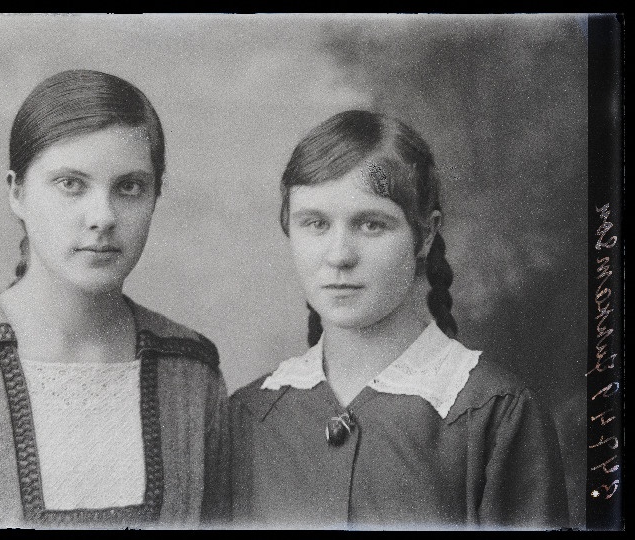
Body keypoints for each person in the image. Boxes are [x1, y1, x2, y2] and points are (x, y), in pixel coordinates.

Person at [0, 70, 229, 528]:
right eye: (71, 184)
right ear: (16, 192)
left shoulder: (193, 374)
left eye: (129, 187)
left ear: (156, 195)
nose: (102, 217)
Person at [229, 110, 568, 529]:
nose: (339, 255)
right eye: (315, 223)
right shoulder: (249, 417)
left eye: (372, 224)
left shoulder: (495, 414)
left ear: (425, 234)